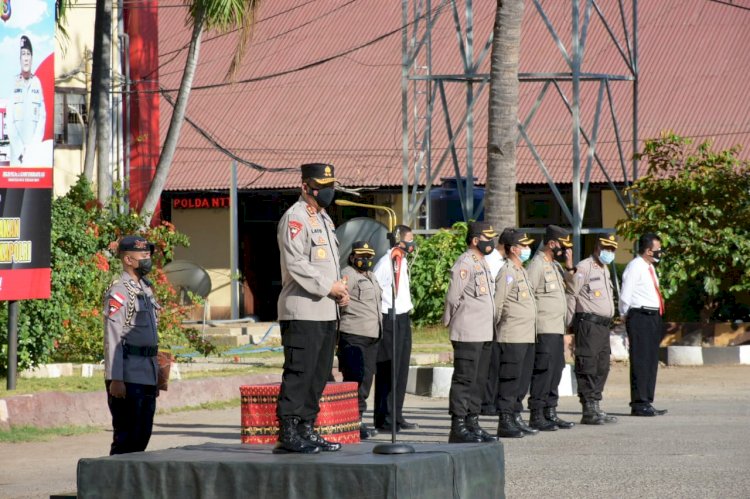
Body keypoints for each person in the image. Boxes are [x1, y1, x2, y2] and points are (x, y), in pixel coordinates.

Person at [274, 162, 349, 454]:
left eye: (331, 186)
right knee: (299, 372)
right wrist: (328, 287)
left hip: (325, 310)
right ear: (305, 186)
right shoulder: (295, 218)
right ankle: (289, 431)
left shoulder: (324, 219)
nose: (328, 191)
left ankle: (307, 427)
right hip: (302, 309)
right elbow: (296, 264)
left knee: (318, 374)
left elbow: (325, 265)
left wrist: (339, 290)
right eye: (322, 186)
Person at [103, 235, 160, 455]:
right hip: (127, 373)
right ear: (128, 259)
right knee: (126, 438)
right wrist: (116, 378)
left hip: (146, 371)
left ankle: (130, 487)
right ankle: (113, 486)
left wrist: (157, 374)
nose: (148, 258)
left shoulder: (145, 288)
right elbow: (113, 335)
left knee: (142, 436)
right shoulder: (120, 291)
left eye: (148, 254)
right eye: (143, 254)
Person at [443, 222, 499, 443]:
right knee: (465, 380)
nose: (491, 242)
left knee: (479, 380)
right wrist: (451, 322)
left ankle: (472, 422)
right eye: (488, 238)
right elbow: (452, 297)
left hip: (484, 332)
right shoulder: (465, 262)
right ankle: (458, 426)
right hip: (468, 331)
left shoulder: (482, 263)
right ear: (476, 240)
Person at [526, 225, 577, 431]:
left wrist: (569, 266)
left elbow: (572, 289)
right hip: (543, 328)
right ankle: (537, 413)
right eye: (563, 247)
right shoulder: (537, 265)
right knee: (543, 371)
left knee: (556, 370)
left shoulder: (556, 266)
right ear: (552, 243)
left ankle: (550, 411)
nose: (565, 250)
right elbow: (527, 296)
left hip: (557, 328)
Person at [566, 234, 619, 425]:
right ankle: (588, 408)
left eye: (612, 250)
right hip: (588, 324)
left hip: (603, 326)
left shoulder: (604, 269)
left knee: (602, 366)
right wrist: (567, 324)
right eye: (606, 249)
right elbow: (572, 293)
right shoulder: (584, 267)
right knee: (587, 365)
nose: (609, 253)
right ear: (597, 247)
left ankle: (596, 404)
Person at [373, 224, 419, 432]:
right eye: (408, 239)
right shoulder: (387, 262)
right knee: (389, 369)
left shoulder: (402, 260)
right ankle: (385, 417)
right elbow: (376, 289)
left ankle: (397, 414)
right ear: (398, 241)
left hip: (402, 317)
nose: (412, 244)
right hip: (389, 317)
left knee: (400, 370)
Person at [337, 240, 383, 440]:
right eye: (361, 257)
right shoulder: (348, 275)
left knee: (365, 380)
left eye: (368, 257)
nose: (365, 261)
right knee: (354, 378)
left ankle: (359, 419)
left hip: (371, 335)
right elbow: (340, 300)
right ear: (352, 257)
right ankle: (352, 421)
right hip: (354, 333)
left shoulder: (371, 277)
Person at [494, 230, 537, 438]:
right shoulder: (508, 271)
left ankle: (516, 415)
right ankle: (505, 420)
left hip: (527, 335)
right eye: (524, 246)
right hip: (512, 335)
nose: (528, 249)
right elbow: (498, 304)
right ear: (513, 249)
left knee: (522, 380)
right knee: (510, 379)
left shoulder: (522, 270)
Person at [619, 233, 668, 417]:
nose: (659, 253)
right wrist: (624, 314)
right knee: (640, 360)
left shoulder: (649, 267)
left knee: (650, 360)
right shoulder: (635, 267)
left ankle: (647, 400)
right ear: (648, 250)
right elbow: (626, 294)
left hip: (652, 316)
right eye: (657, 250)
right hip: (640, 315)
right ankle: (639, 403)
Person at [481, 227, 512, 416]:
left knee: (500, 362)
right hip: (491, 318)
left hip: (503, 319)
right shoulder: (491, 262)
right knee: (491, 363)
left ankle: (495, 400)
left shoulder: (504, 262)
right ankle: (487, 402)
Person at [7, 35, 46, 166]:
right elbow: (9, 120)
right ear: (19, 58)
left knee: (34, 186)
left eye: (28, 54)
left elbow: (42, 117)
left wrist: (31, 148)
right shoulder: (13, 83)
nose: (26, 58)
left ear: (32, 58)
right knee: (14, 186)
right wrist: (20, 149)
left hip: (33, 154)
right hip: (17, 156)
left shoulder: (37, 83)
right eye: (23, 54)